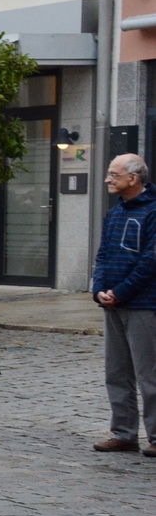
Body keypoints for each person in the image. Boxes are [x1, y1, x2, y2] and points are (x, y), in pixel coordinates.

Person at [91, 154, 156, 454]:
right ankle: (124, 433)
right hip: (114, 305)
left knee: (149, 375)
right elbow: (103, 254)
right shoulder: (114, 213)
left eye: (113, 174)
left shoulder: (153, 211)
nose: (108, 180)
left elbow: (150, 261)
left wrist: (121, 291)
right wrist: (100, 290)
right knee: (116, 372)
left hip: (144, 305)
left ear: (133, 178)